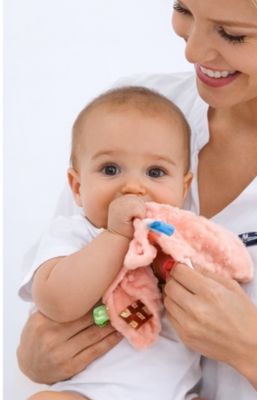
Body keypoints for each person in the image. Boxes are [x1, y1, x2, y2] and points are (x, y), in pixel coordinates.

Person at [18, 0, 257, 399]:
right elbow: (55, 300)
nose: (192, 50)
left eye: (231, 33)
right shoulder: (132, 113)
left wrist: (251, 350)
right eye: (184, 9)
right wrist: (35, 358)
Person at [20, 86, 204, 400]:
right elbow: (57, 302)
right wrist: (116, 236)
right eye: (110, 169)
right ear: (77, 186)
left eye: (155, 172)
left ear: (183, 188)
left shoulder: (180, 240)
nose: (133, 186)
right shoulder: (73, 235)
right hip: (88, 393)